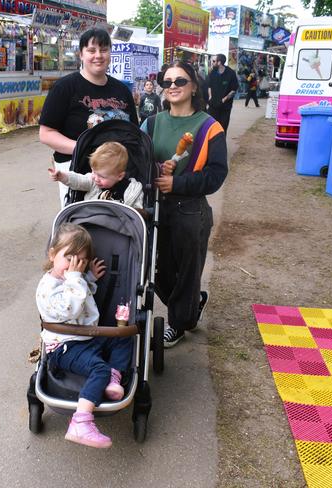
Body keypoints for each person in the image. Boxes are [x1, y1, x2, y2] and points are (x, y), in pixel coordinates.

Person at [140, 61, 228, 348]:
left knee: (187, 273)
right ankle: (191, 305)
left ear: (193, 86)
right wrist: (155, 171)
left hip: (190, 211)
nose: (173, 87)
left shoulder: (209, 127)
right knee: (157, 272)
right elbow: (136, 160)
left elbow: (216, 174)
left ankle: (179, 323)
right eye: (167, 82)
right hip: (154, 207)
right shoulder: (151, 123)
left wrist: (177, 183)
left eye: (180, 81)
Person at [36, 223, 133, 448]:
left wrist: (88, 279)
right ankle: (80, 421)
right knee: (99, 368)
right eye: (68, 258)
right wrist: (77, 279)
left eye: (80, 261)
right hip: (64, 347)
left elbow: (81, 297)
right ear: (52, 255)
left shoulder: (71, 280)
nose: (73, 266)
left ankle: (113, 378)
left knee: (122, 336)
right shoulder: (47, 287)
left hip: (85, 338)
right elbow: (72, 308)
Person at [39, 28, 139, 206]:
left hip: (116, 175)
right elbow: (46, 133)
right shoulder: (65, 87)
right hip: (77, 171)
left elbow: (133, 132)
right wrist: (84, 147)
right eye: (91, 50)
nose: (98, 55)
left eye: (104, 49)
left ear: (110, 52)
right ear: (81, 55)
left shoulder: (122, 90)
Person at [48, 141, 144, 208]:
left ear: (120, 176)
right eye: (94, 172)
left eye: (101, 176)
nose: (96, 178)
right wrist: (62, 176)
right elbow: (78, 180)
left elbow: (137, 213)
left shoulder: (133, 189)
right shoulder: (92, 181)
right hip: (91, 220)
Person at [207, 54, 239, 133]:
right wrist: (210, 97)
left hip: (225, 107)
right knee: (211, 127)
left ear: (219, 62)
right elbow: (209, 86)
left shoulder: (231, 73)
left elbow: (234, 89)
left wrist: (224, 100)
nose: (212, 63)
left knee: (222, 128)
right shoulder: (212, 72)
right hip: (213, 106)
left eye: (214, 61)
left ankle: (221, 144)